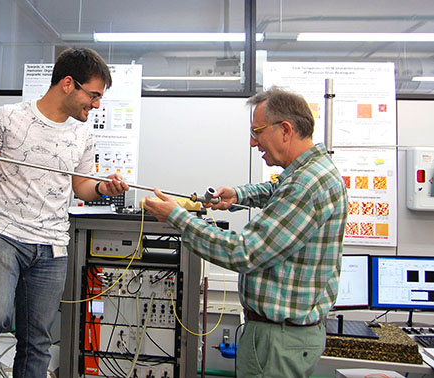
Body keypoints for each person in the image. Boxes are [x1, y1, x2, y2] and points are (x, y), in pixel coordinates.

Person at [144, 87, 348, 378]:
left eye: (258, 131)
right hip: (285, 336)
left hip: (278, 340)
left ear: (286, 129)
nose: (253, 143)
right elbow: (276, 190)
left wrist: (178, 218)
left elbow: (245, 252)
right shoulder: (310, 173)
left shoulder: (306, 185)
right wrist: (237, 195)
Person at [0, 47, 129, 378]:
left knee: (37, 341)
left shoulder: (83, 133)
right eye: (93, 95)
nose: (96, 105)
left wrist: (103, 188)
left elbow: (81, 187)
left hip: (52, 246)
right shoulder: (9, 117)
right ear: (68, 83)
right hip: (3, 234)